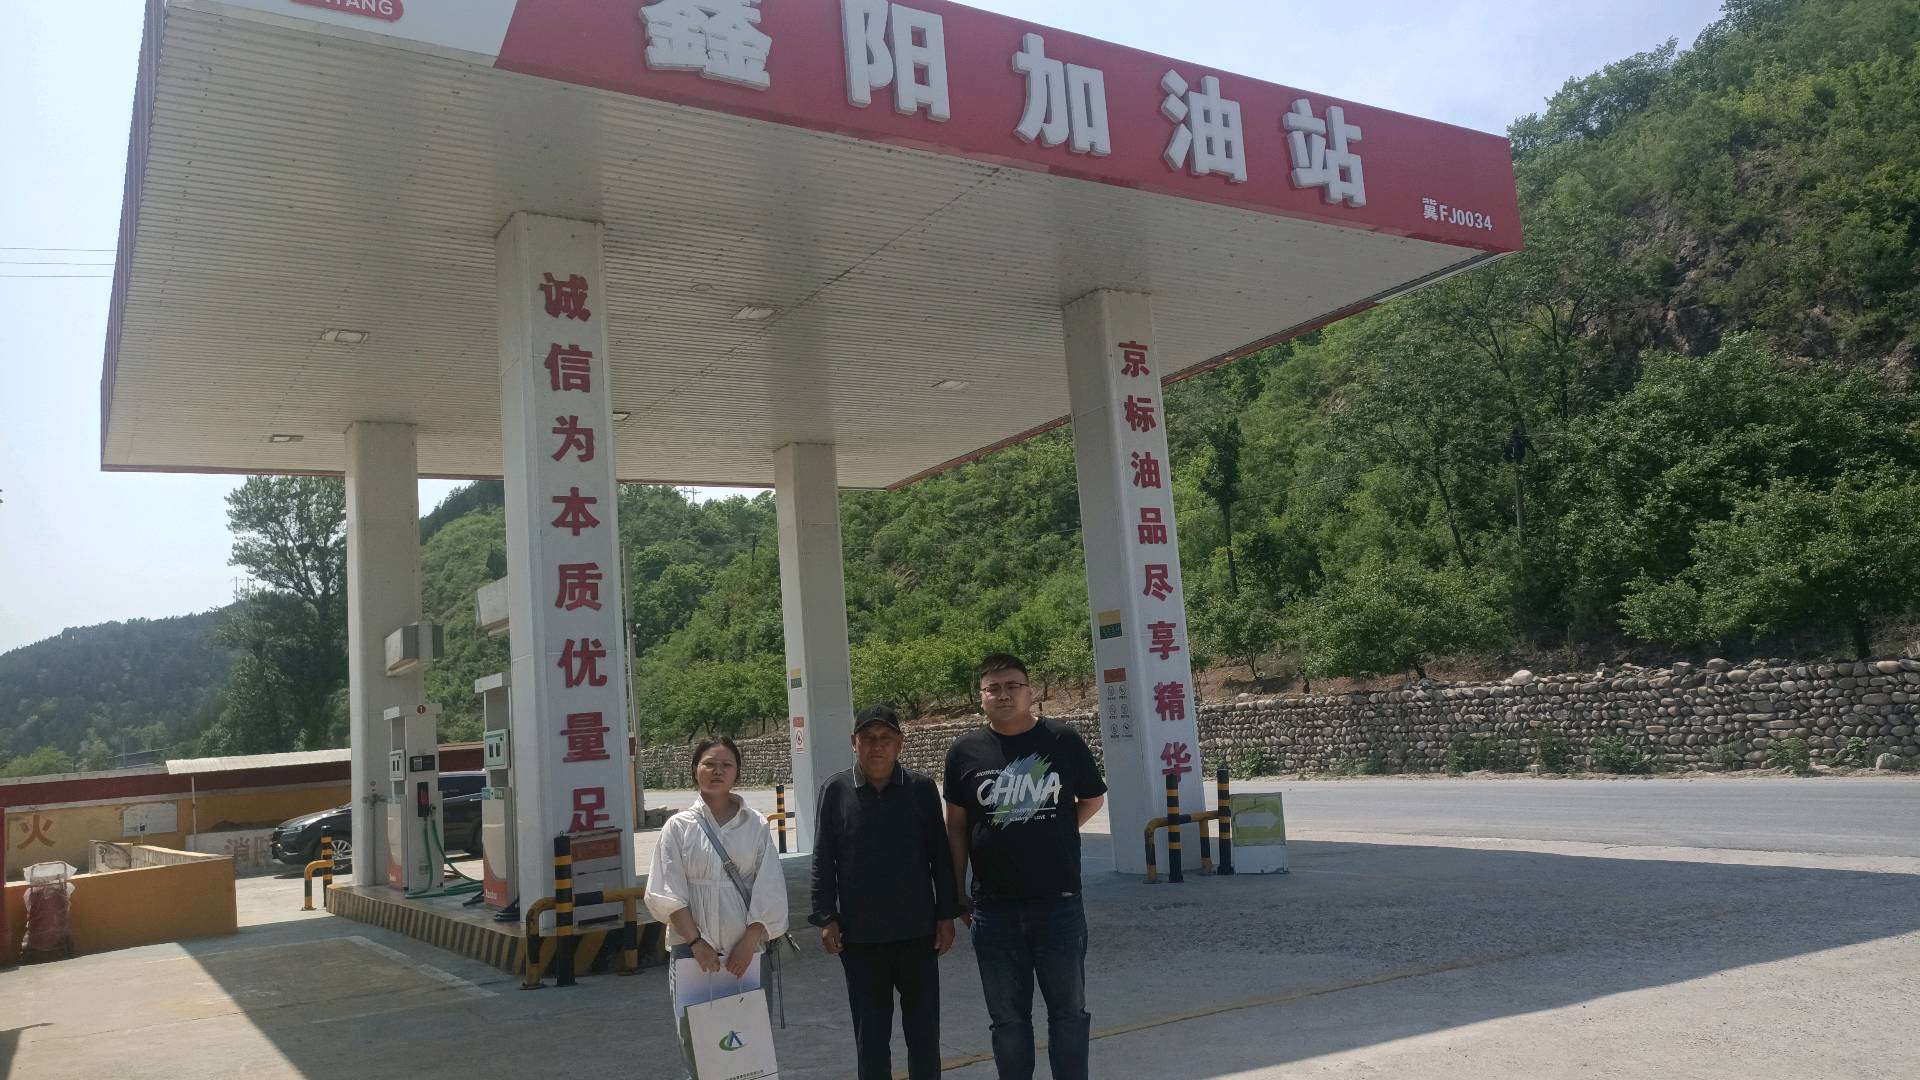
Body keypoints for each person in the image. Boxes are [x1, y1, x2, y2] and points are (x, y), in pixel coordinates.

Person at [944, 653, 1107, 1080]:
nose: (1004, 695)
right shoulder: (965, 752)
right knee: (1008, 1020)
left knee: (1069, 1012)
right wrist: (956, 890)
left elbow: (1092, 798)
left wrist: (1057, 829)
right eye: (993, 688)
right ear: (981, 696)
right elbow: (956, 827)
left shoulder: (1062, 740)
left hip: (1059, 903)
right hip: (993, 908)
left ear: (1029, 691)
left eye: (1012, 686)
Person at [810, 703, 963, 1080]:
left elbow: (940, 856)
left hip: (918, 936)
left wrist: (946, 914)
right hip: (861, 940)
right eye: (868, 738)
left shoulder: (921, 789)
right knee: (871, 1040)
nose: (876, 746)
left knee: (924, 1036)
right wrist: (826, 916)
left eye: (885, 738)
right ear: (854, 742)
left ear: (900, 743)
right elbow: (823, 859)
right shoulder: (836, 790)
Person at [644, 736, 789, 1076]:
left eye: (726, 765)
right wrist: (696, 942)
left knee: (748, 1045)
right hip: (692, 954)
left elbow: (770, 888)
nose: (717, 771)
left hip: (746, 953)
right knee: (697, 1042)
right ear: (695, 769)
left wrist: (750, 941)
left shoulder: (755, 825)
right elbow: (667, 891)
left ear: (737, 772)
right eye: (709, 764)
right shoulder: (678, 827)